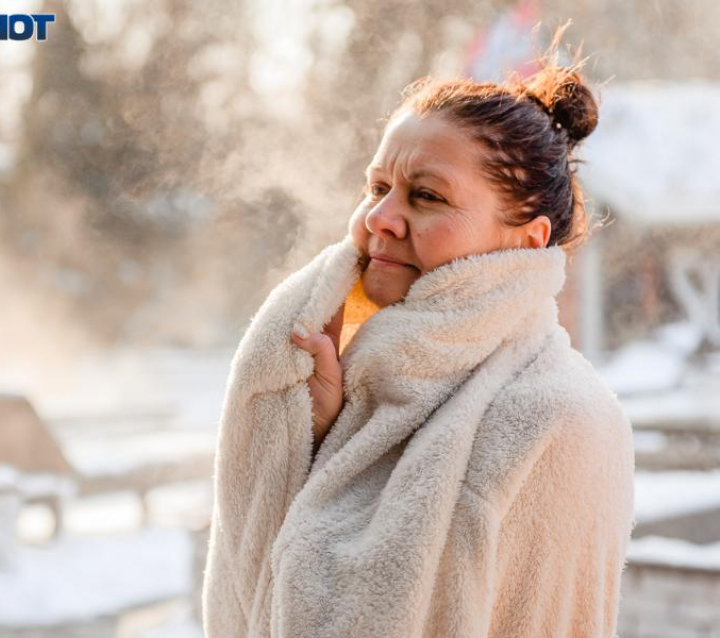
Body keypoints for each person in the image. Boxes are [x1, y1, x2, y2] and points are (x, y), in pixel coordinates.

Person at [202, 32, 635, 638]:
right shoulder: (360, 393)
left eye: (426, 196)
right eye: (377, 188)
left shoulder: (560, 423)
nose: (379, 218)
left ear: (527, 240)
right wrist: (322, 436)